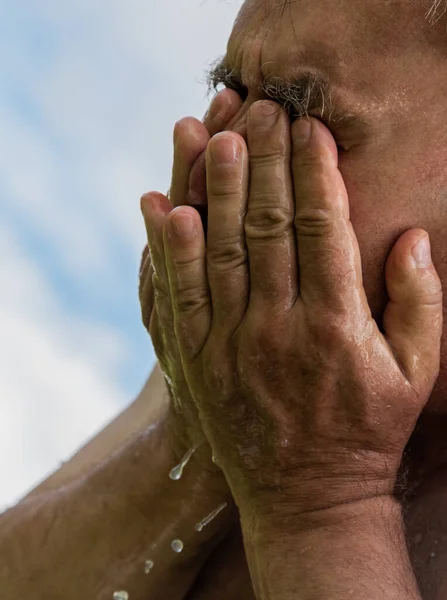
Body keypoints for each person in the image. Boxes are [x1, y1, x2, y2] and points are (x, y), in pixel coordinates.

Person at [1, 0, 447, 597]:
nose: (224, 158)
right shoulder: (270, 359)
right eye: (231, 93)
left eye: (299, 121)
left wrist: (325, 499)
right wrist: (202, 436)